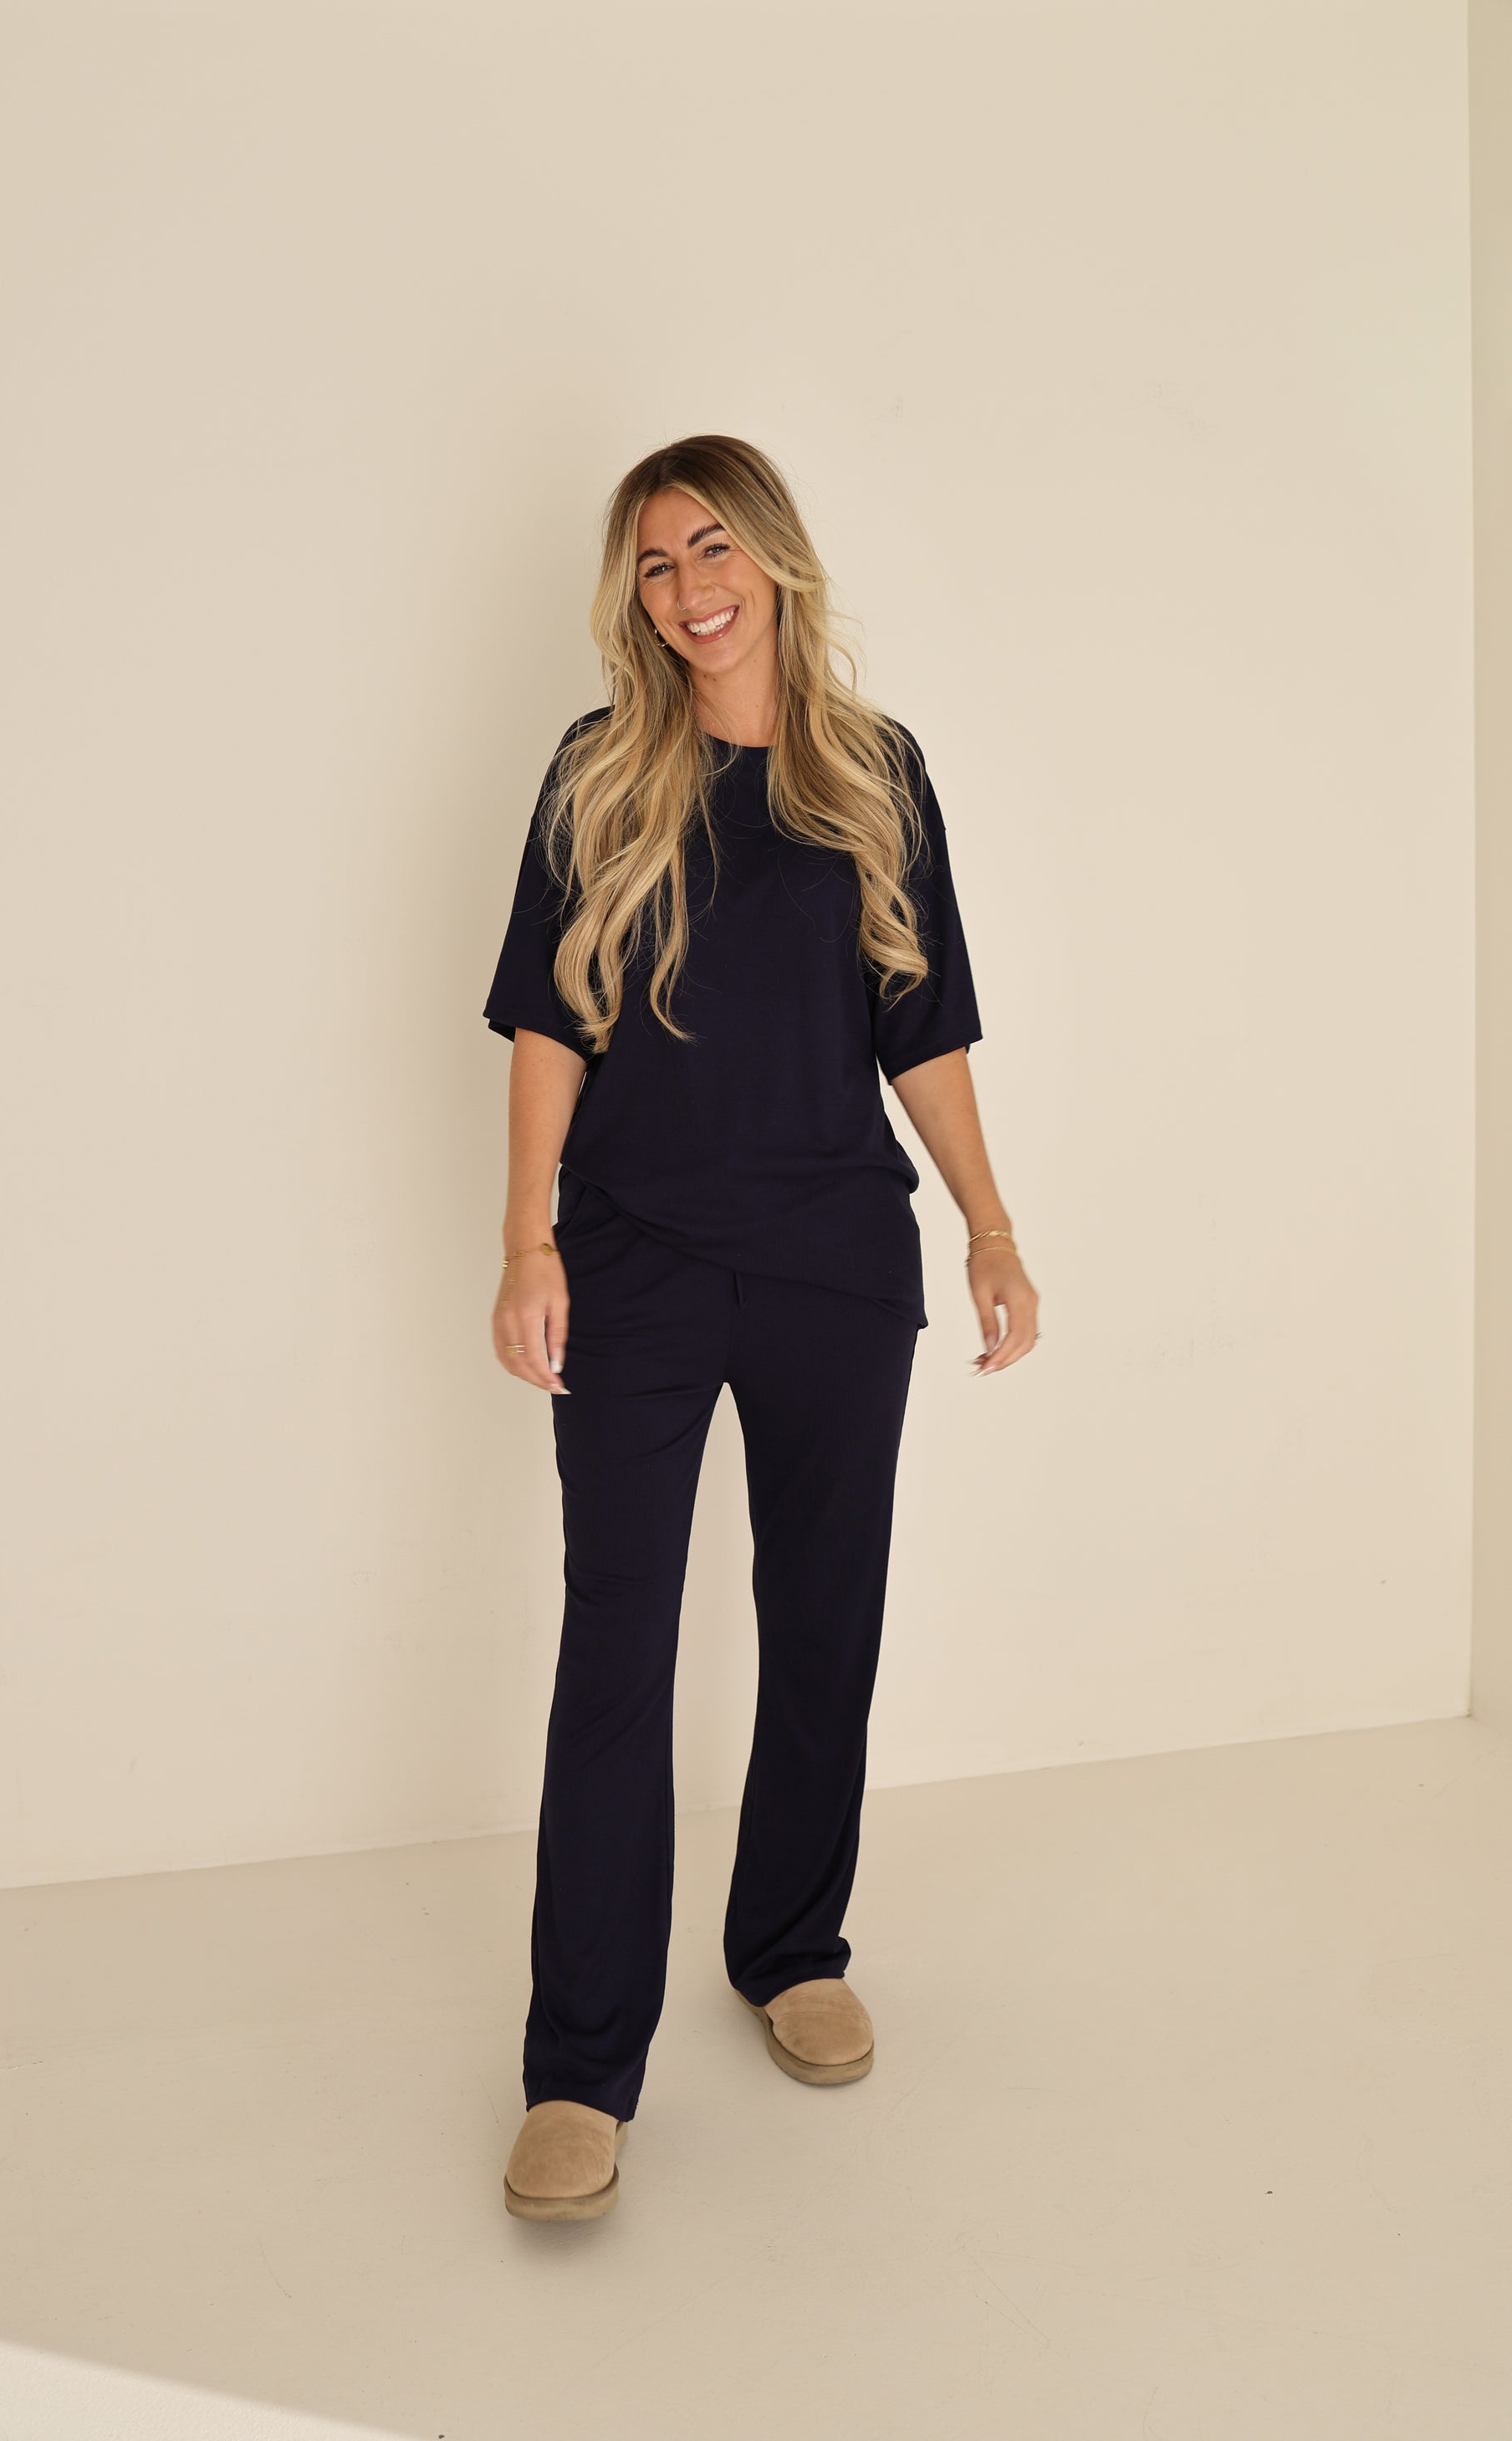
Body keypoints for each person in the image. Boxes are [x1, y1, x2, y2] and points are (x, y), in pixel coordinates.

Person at [482, 435, 1039, 2222]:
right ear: (632, 599)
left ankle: (790, 1944)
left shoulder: (877, 773)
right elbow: (547, 1022)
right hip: (632, 1257)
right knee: (615, 1646)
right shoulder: (596, 770)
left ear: (775, 558)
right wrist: (523, 1237)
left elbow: (921, 1020)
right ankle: (580, 2064)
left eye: (709, 545)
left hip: (830, 1258)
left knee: (823, 1618)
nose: (685, 585)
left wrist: (991, 1221)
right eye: (651, 564)